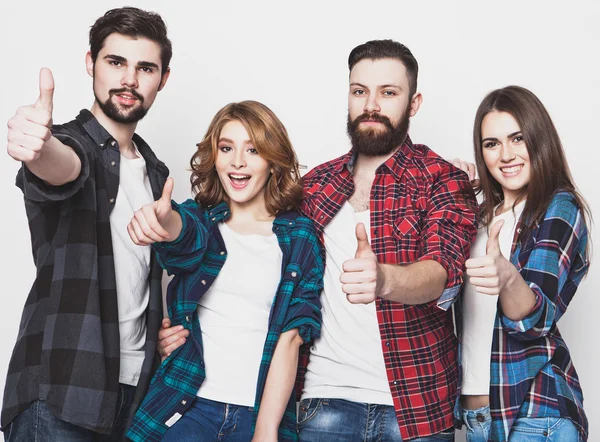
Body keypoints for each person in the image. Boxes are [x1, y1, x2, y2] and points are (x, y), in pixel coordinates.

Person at [2, 7, 172, 441]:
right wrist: (38, 148)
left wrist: (170, 325)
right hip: (61, 390)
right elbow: (63, 167)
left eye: (145, 68)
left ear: (163, 79)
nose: (129, 80)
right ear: (90, 64)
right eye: (115, 62)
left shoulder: (156, 173)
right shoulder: (73, 143)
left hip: (133, 394)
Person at [125, 101, 324, 442]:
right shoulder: (201, 219)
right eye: (227, 148)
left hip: (257, 414)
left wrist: (265, 429)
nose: (238, 162)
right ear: (214, 158)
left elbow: (292, 336)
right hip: (188, 407)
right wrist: (164, 222)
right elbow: (182, 237)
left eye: (253, 150)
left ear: (273, 161)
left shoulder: (300, 236)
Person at [453, 86, 591, 441]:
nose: (506, 154)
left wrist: (507, 277)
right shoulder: (480, 215)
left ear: (538, 139)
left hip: (534, 415)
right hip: (477, 420)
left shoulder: (558, 207)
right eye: (491, 143)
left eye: (517, 138)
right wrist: (447, 191)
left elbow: (534, 320)